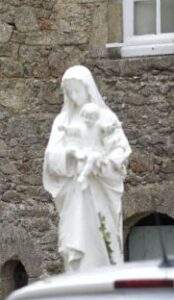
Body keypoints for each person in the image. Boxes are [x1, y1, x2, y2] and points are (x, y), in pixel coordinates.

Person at [43, 65, 132, 271]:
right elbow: (50, 158)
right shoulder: (62, 121)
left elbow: (121, 151)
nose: (74, 96)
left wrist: (103, 163)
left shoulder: (105, 118)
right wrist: (69, 155)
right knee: (74, 241)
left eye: (78, 90)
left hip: (99, 192)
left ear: (88, 89)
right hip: (74, 194)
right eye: (69, 92)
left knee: (101, 239)